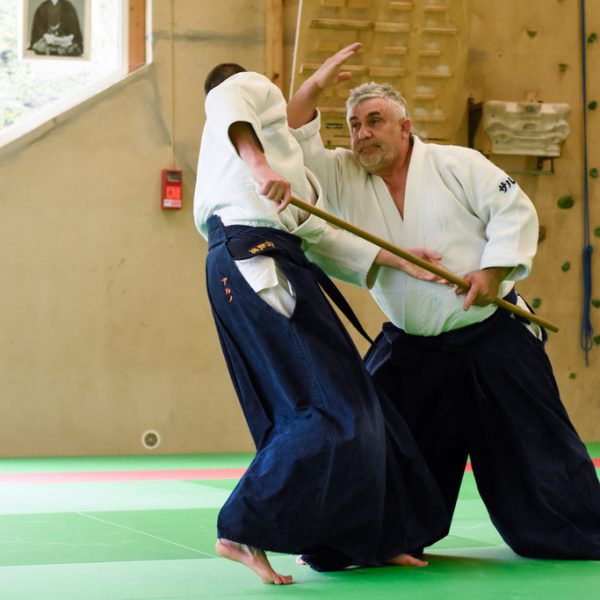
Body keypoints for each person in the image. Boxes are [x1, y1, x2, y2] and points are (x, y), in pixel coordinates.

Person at [286, 42, 600, 560]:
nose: (363, 134)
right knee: (378, 441)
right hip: (414, 348)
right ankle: (372, 539)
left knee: (534, 447)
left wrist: (493, 271)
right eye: (355, 125)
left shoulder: (458, 163)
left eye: (375, 121)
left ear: (405, 127)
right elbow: (295, 133)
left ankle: (579, 531)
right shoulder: (342, 172)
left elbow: (513, 211)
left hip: (492, 336)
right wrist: (316, 84)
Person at [193, 62, 451, 584]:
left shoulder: (294, 168)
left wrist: (400, 259)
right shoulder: (245, 91)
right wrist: (258, 165)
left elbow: (321, 238)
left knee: (365, 408)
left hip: (276, 260)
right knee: (328, 408)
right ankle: (243, 526)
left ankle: (373, 538)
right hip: (255, 259)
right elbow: (226, 101)